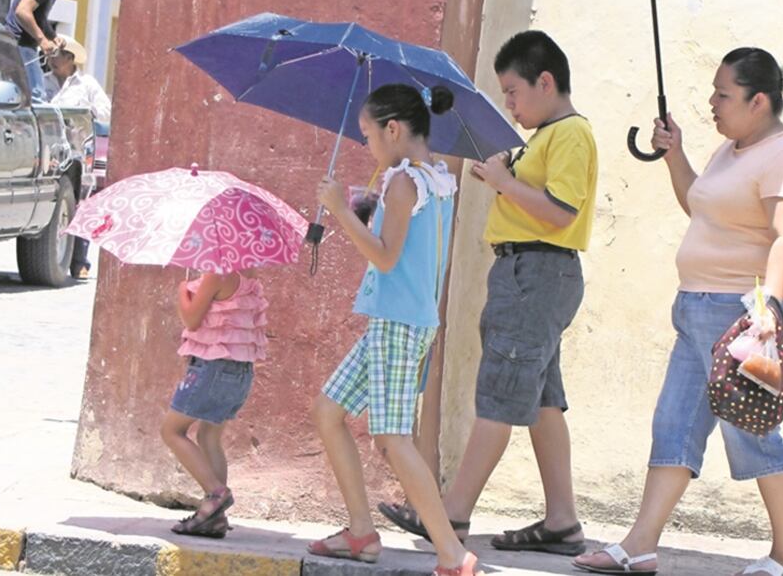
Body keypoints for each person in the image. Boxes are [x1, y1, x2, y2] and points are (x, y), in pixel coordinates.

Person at [573, 48, 783, 576]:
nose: (712, 103)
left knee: (752, 433)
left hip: (742, 315)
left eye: (723, 95)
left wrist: (767, 312)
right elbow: (699, 205)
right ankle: (639, 545)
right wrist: (674, 154)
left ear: (759, 101)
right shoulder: (729, 151)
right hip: (694, 308)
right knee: (674, 425)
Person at [380, 30, 598, 558]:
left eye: (513, 91)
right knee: (543, 401)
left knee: (498, 395)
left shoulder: (569, 134)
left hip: (536, 273)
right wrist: (504, 176)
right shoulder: (546, 136)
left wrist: (504, 181)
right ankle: (562, 520)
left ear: (546, 82)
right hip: (529, 273)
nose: (509, 104)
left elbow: (560, 211)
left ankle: (450, 513)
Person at [308, 84, 478, 576]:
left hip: (398, 325)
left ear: (393, 129)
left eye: (368, 135)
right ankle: (361, 530)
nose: (367, 146)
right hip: (403, 319)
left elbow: (384, 256)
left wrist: (340, 210)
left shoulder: (403, 183)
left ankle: (450, 552)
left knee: (393, 438)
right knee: (328, 411)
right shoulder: (437, 176)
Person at [160, 269, 267, 539]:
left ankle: (215, 493)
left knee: (172, 431)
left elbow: (191, 319)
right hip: (240, 370)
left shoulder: (216, 275)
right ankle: (215, 518)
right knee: (209, 436)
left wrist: (182, 291)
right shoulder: (249, 275)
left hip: (212, 367)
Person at [45, 34, 112, 279]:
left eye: (57, 56)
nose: (52, 61)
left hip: (79, 153)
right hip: (52, 154)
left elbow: (105, 110)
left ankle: (80, 261)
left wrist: (87, 111)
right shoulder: (44, 82)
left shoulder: (87, 84)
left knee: (82, 205)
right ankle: (54, 257)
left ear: (70, 58)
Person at [4, 0, 91, 101]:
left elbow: (39, 18)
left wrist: (52, 36)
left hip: (23, 46)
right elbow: (23, 11)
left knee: (24, 95)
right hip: (20, 45)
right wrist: (42, 41)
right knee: (36, 95)